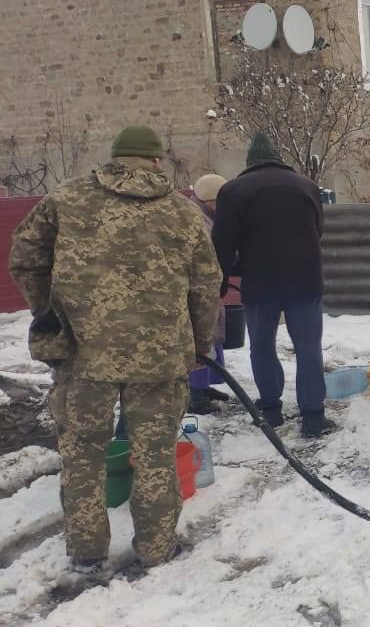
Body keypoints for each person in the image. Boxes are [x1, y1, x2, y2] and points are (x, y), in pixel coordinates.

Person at [8, 125, 222, 574]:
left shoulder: (65, 200)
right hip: (160, 358)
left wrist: (49, 310)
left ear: (115, 157)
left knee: (83, 452)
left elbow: (24, 257)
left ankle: (86, 550)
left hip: (83, 355)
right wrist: (200, 345)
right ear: (157, 162)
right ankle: (156, 547)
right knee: (156, 453)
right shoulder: (183, 214)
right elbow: (206, 285)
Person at [212, 133, 334, 437]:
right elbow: (317, 229)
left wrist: (222, 281)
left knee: (262, 346)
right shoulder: (306, 185)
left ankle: (270, 410)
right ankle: (313, 416)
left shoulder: (233, 191)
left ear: (250, 161)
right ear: (278, 157)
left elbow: (223, 243)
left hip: (260, 281)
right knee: (308, 347)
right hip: (305, 280)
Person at [186, 174, 229, 414]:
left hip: (209, 286)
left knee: (212, 337)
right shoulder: (198, 219)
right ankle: (196, 394)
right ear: (209, 200)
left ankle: (205, 386)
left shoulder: (205, 214)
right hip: (198, 290)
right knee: (202, 338)